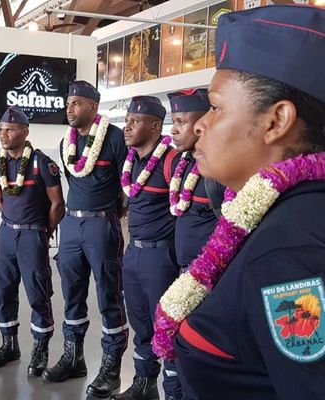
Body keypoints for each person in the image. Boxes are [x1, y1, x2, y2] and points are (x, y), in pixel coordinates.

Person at [151, 6, 325, 400]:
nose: (200, 125)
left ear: (276, 121)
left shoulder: (287, 253)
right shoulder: (279, 216)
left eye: (215, 106)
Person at [43, 80, 128, 399]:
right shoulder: (67, 140)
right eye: (68, 102)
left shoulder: (116, 138)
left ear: (94, 106)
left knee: (109, 296)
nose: (70, 108)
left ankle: (111, 368)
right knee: (72, 295)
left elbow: (128, 183)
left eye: (77, 102)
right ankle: (73, 357)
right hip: (71, 227)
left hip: (100, 226)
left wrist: (111, 215)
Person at [112, 96, 181, 400]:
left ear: (155, 126)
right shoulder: (132, 162)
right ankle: (143, 383)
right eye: (126, 120)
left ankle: (174, 391)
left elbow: (183, 214)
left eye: (134, 121)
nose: (126, 127)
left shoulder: (171, 161)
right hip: (133, 252)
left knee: (167, 327)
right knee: (140, 322)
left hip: (160, 257)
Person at [0, 107, 64, 375]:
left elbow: (58, 204)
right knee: (3, 291)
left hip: (33, 234)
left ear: (24, 131)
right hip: (7, 234)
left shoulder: (41, 163)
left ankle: (40, 349)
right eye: (1, 129)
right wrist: (11, 223)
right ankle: (9, 345)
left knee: (38, 292)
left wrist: (43, 230)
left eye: (9, 129)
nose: (3, 134)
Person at [167, 89, 224, 273]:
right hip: (184, 269)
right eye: (174, 121)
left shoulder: (219, 169)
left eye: (181, 122)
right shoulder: (180, 163)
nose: (173, 129)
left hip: (211, 271)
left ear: (203, 124)